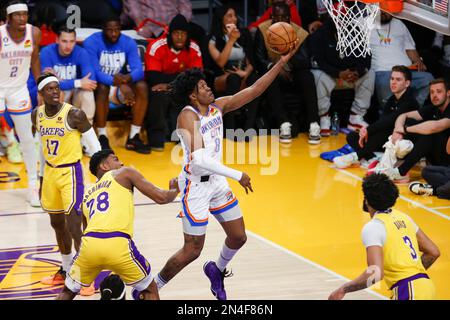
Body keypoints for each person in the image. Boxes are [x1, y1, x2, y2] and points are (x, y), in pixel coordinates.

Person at [151, 42, 299, 301]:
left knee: (238, 236)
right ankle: (153, 287)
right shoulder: (187, 117)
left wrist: (280, 62)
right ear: (192, 96)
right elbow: (199, 159)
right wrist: (237, 174)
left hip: (216, 182)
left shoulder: (218, 107)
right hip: (196, 185)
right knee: (192, 250)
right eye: (203, 87)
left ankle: (217, 271)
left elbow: (254, 90)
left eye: (208, 85)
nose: (209, 88)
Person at [55, 149, 179, 300]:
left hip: (89, 247)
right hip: (118, 243)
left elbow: (85, 231)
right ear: (104, 166)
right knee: (149, 290)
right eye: (116, 159)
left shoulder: (87, 195)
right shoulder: (125, 173)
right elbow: (161, 197)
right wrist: (175, 189)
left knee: (67, 292)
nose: (121, 163)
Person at [31, 74, 101, 293]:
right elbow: (42, 149)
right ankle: (66, 268)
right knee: (57, 224)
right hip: (50, 174)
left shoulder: (74, 114)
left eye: (57, 88)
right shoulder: (37, 115)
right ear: (41, 94)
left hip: (71, 172)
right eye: (49, 89)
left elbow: (95, 147)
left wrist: (103, 176)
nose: (54, 92)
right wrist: (41, 179)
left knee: (74, 225)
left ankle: (86, 277)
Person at [329, 173, 440, 300]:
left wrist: (343, 289)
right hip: (426, 287)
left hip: (408, 290)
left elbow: (376, 273)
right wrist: (414, 276)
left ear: (366, 200)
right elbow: (433, 252)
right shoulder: (404, 217)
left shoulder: (374, 227)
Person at [83, 15, 150, 154]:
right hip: (100, 87)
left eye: (117, 30)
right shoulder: (92, 42)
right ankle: (102, 136)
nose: (114, 34)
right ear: (103, 29)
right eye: (110, 30)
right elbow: (93, 71)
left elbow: (138, 70)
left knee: (142, 87)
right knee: (102, 87)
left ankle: (134, 137)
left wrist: (126, 79)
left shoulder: (128, 42)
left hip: (120, 86)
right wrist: (117, 82)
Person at [331, 66, 420, 168]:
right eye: (392, 79)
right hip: (386, 140)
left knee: (384, 130)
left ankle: (355, 157)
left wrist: (368, 130)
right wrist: (365, 132)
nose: (393, 82)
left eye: (398, 79)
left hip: (403, 143)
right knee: (352, 136)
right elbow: (382, 121)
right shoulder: (392, 99)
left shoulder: (410, 102)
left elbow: (389, 121)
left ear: (407, 83)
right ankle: (372, 158)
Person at [254, 2, 318, 144]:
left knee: (307, 76)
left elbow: (305, 61)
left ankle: (314, 124)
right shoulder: (263, 30)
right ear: (271, 17)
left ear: (289, 18)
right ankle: (284, 124)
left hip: (293, 73)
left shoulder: (299, 33)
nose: (280, 20)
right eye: (277, 17)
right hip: (274, 73)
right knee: (271, 77)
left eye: (284, 17)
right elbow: (258, 58)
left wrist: (289, 60)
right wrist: (276, 67)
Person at [0, 1, 42, 206]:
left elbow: (35, 59)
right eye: (17, 15)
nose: (22, 18)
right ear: (8, 17)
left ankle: (33, 186)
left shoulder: (33, 33)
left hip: (19, 89)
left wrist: (40, 84)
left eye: (25, 14)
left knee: (27, 138)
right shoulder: (0, 34)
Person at [145, 14, 203, 150]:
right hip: (158, 87)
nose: (180, 37)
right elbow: (154, 77)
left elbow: (197, 76)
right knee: (158, 94)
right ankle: (156, 139)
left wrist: (171, 84)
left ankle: (185, 137)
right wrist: (180, 79)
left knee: (194, 93)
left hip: (178, 87)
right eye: (176, 33)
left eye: (183, 34)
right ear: (169, 34)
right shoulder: (157, 46)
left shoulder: (194, 47)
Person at [375, 78, 450, 183]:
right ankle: (389, 163)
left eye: (439, 91)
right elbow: (403, 115)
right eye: (432, 92)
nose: (434, 95)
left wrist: (405, 129)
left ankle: (401, 172)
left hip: (446, 159)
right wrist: (398, 130)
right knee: (410, 121)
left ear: (448, 93)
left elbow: (435, 127)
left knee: (429, 133)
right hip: (434, 154)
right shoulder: (433, 108)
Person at [309, 18, 375, 136]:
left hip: (351, 75)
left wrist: (357, 73)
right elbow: (317, 62)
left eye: (344, 17)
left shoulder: (356, 31)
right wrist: (338, 73)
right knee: (318, 76)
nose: (341, 20)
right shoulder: (321, 33)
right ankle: (324, 119)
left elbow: (367, 57)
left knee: (370, 74)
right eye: (337, 17)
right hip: (330, 75)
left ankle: (355, 118)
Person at [40, 26, 97, 154]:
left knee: (88, 93)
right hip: (60, 93)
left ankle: (85, 140)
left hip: (74, 92)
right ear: (57, 40)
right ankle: (52, 139)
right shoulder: (47, 52)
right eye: (64, 41)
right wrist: (77, 82)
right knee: (54, 92)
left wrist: (61, 81)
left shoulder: (81, 52)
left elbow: (91, 80)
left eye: (72, 41)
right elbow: (47, 83)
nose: (68, 46)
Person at [209, 5, 259, 136]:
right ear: (221, 19)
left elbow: (251, 62)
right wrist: (231, 40)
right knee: (233, 79)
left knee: (254, 80)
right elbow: (220, 63)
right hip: (222, 77)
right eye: (229, 16)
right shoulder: (213, 39)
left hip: (242, 74)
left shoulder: (244, 34)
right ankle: (230, 129)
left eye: (235, 16)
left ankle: (249, 128)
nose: (234, 19)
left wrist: (246, 73)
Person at [369, 11, 434, 107]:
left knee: (428, 79)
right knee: (385, 83)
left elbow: (410, 48)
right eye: (381, 9)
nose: (384, 12)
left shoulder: (399, 24)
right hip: (384, 72)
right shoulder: (365, 23)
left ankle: (412, 110)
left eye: (387, 11)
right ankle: (390, 115)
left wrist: (418, 61)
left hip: (406, 70)